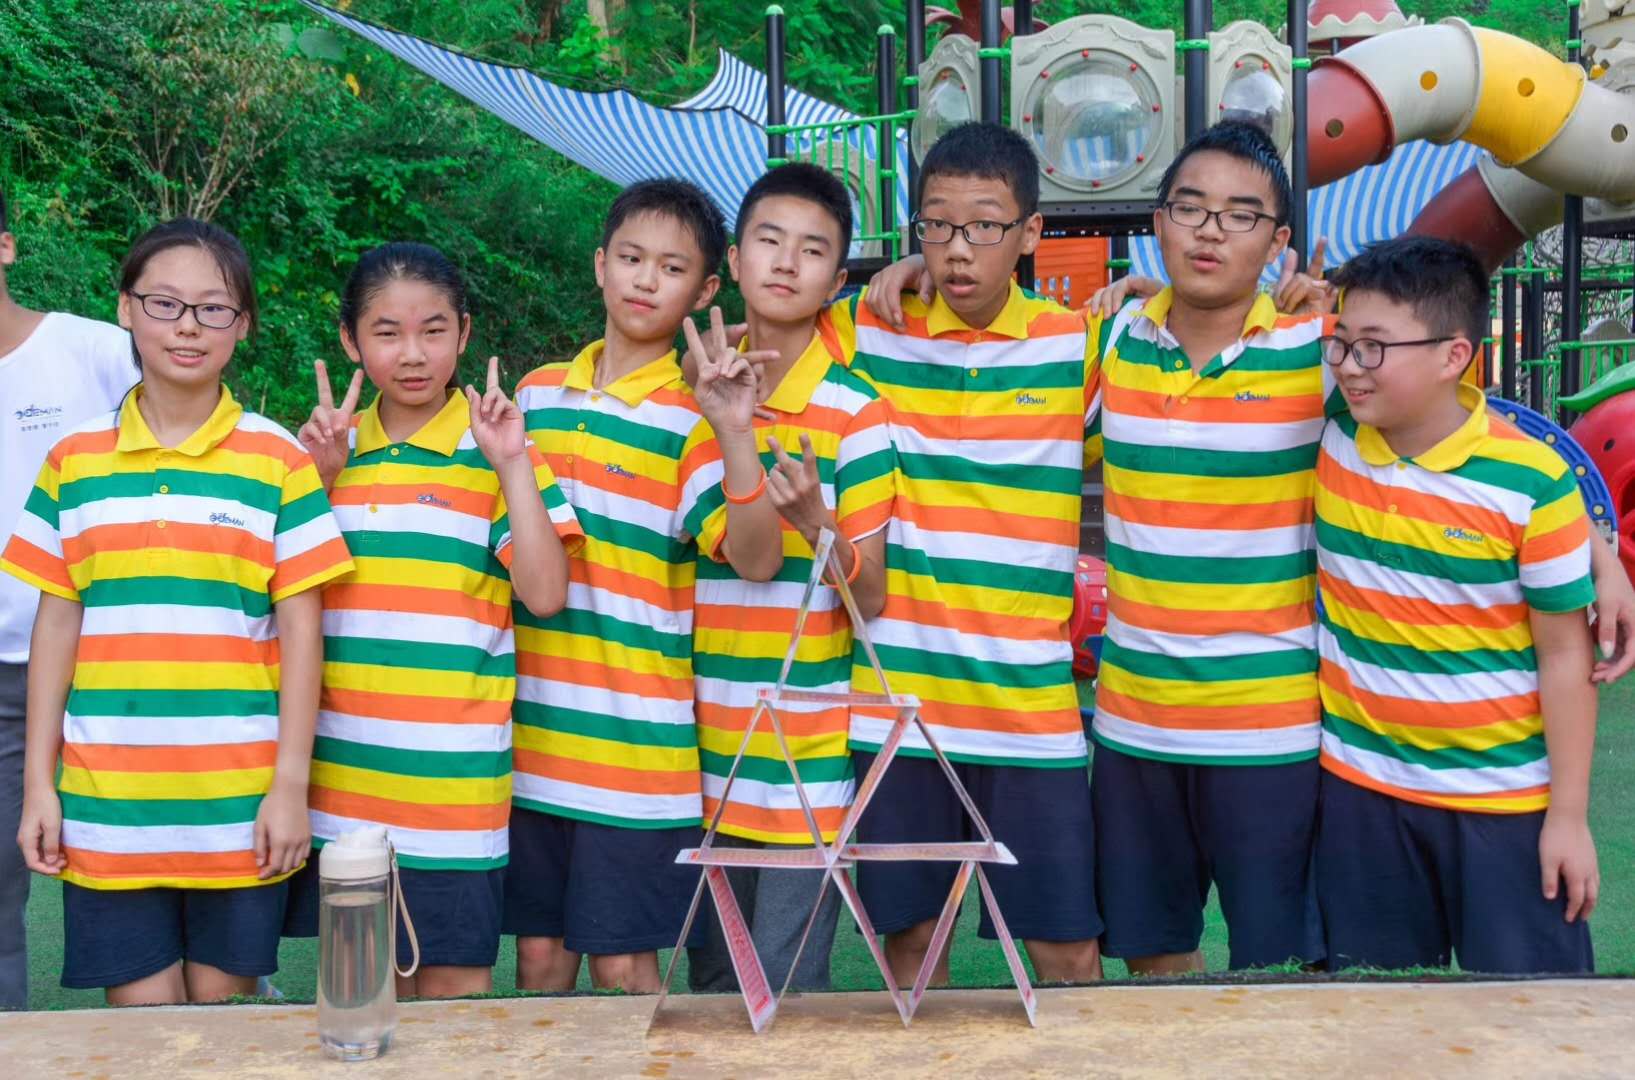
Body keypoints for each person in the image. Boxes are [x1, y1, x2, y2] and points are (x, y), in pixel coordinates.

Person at [3, 218, 353, 1005]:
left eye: (214, 308)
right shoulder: (74, 460)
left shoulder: (279, 461)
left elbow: (303, 633)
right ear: (125, 309)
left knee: (223, 1029)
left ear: (244, 325)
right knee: (141, 1034)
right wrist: (39, 789)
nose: (188, 326)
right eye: (164, 304)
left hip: (239, 807)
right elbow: (56, 625)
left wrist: (288, 785)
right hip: (108, 809)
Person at [826, 122, 1105, 986]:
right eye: (936, 225)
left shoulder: (1077, 346)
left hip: (1031, 710)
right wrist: (882, 279)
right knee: (911, 946)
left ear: (1030, 233)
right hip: (896, 708)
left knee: (1066, 949)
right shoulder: (864, 331)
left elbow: (1181, 333)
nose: (957, 248)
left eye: (984, 225)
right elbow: (783, 308)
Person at [280, 243, 583, 999]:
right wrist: (316, 479)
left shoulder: (498, 450)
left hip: (456, 799)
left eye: (433, 331)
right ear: (351, 341)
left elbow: (545, 595)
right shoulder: (322, 455)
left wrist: (512, 462)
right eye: (386, 333)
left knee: (455, 1018)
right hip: (342, 801)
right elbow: (276, 599)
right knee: (357, 1007)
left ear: (464, 335)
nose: (412, 354)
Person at [506, 177, 784, 993]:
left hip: (640, 756)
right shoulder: (531, 396)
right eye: (630, 258)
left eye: (669, 268)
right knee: (537, 961)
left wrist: (735, 430)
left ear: (703, 292)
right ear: (599, 265)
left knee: (626, 971)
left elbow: (757, 557)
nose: (643, 279)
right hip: (529, 751)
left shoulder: (695, 413)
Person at [1313, 236, 1599, 973]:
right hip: (1360, 791)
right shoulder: (1334, 431)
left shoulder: (1530, 480)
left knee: (1532, 1021)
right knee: (1373, 1024)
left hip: (1502, 803)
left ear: (1453, 357)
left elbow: (1565, 653)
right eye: (1341, 343)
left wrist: (1565, 818)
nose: (1349, 364)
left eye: (1373, 347)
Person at [682, 163, 895, 995]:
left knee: (788, 1002)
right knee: (703, 999)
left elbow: (868, 595)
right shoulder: (688, 397)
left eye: (811, 251)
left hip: (803, 756)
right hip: (694, 754)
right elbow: (751, 555)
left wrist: (821, 525)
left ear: (836, 281)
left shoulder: (859, 410)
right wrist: (733, 427)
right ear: (733, 261)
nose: (784, 263)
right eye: (768, 241)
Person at [0, 188, 136, 1011]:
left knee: (179, 856)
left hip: (114, 664)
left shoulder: (90, 350)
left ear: (6, 247)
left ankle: (234, 1011)